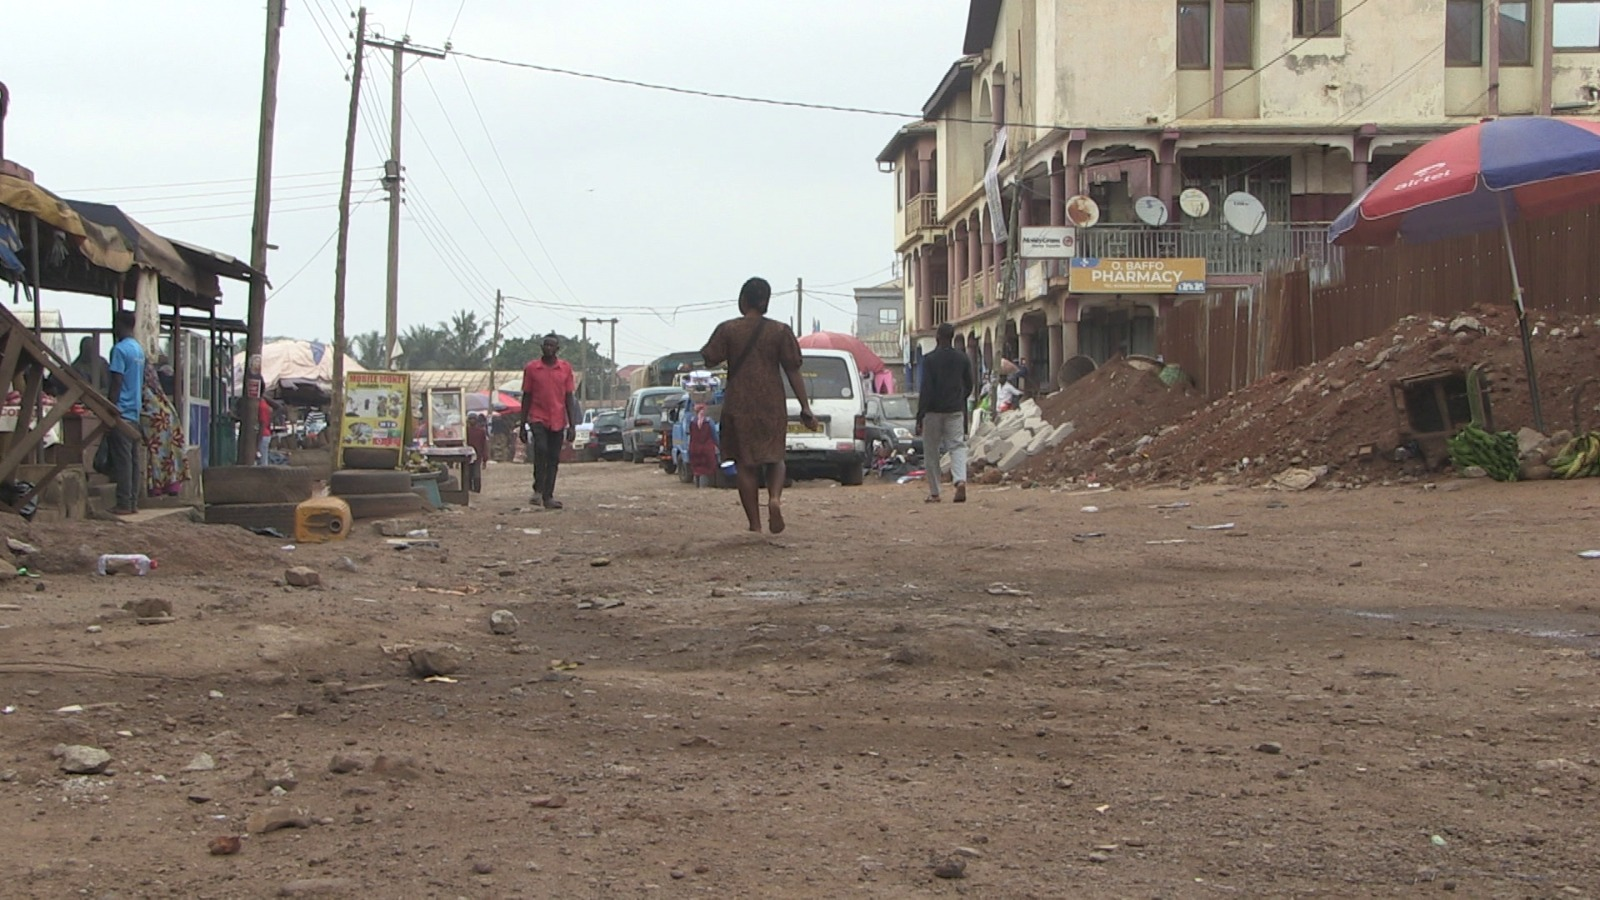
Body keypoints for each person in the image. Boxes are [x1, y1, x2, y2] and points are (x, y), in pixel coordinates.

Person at [700, 276, 817, 534]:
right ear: (766, 302)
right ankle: (774, 499)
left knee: (745, 463)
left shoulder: (728, 329)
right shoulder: (780, 331)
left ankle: (755, 524)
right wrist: (805, 406)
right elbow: (793, 370)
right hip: (771, 404)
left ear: (742, 300)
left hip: (738, 405)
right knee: (775, 457)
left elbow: (709, 358)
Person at [915, 322, 973, 504]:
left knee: (931, 451)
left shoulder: (929, 360)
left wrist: (920, 415)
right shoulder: (962, 359)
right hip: (955, 410)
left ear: (937, 338)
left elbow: (926, 389)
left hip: (932, 412)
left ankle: (935, 493)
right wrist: (959, 398)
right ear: (953, 337)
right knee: (957, 446)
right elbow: (969, 385)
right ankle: (960, 480)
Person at [519, 333, 577, 509]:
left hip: (558, 419)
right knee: (541, 450)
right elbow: (526, 397)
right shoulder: (532, 369)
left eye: (552, 346)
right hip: (538, 417)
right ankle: (538, 487)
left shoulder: (565, 369)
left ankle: (548, 496)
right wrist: (522, 424)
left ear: (557, 349)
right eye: (546, 345)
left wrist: (572, 425)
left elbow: (569, 398)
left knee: (553, 458)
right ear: (542, 348)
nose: (548, 348)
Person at [105, 311, 144, 516]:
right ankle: (133, 502)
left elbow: (117, 381)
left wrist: (110, 406)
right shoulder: (138, 349)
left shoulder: (119, 350)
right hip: (135, 413)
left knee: (123, 461)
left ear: (120, 324)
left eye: (114, 324)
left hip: (122, 411)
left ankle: (123, 503)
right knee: (133, 461)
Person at [142, 359, 189, 496]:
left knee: (156, 453)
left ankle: (157, 486)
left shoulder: (143, 390)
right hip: (168, 420)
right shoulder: (158, 392)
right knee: (169, 453)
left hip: (156, 422)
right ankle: (172, 484)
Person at [687, 402, 719, 488]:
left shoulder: (692, 421)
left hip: (694, 448)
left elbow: (689, 434)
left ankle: (697, 486)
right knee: (705, 469)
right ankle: (703, 487)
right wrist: (718, 445)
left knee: (697, 467)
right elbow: (714, 435)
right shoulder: (709, 422)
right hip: (706, 448)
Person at [466, 413, 489, 492]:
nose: (472, 421)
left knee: (473, 472)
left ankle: (473, 489)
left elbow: (484, 445)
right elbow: (484, 445)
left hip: (474, 455)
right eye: (471, 419)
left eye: (473, 419)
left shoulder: (468, 431)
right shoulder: (467, 431)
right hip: (469, 455)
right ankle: (474, 489)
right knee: (472, 472)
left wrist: (485, 458)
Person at [256, 394, 273, 465]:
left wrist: (257, 444)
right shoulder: (264, 404)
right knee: (262, 460)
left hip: (263, 435)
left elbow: (262, 424)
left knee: (262, 462)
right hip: (265, 434)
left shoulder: (261, 406)